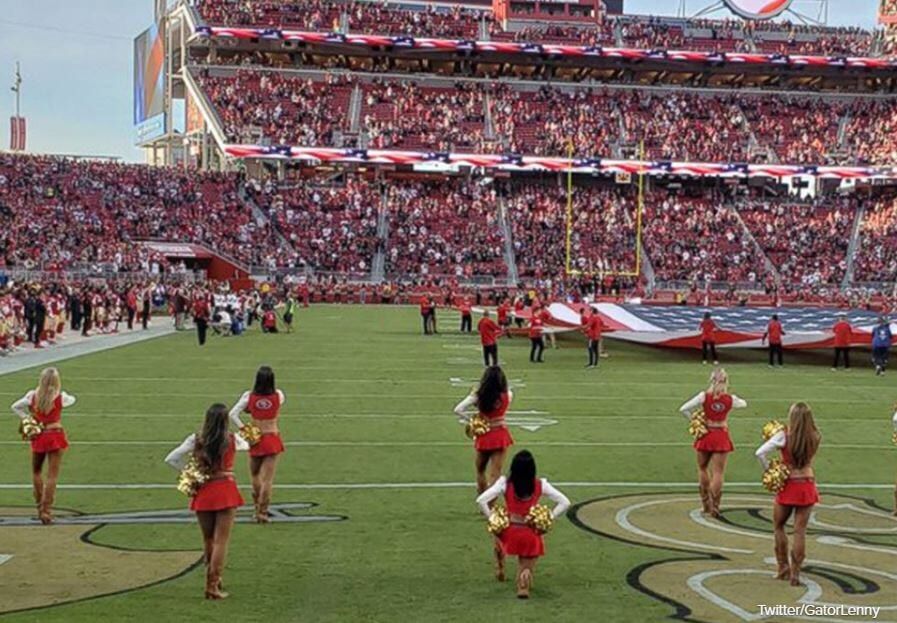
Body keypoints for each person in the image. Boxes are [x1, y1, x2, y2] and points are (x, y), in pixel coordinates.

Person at [165, 404, 247, 599]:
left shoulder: (196, 439)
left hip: (204, 490)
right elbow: (248, 445)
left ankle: (212, 581)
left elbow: (171, 458)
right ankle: (213, 584)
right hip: (225, 489)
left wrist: (191, 474)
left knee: (208, 539)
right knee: (221, 541)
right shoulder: (232, 439)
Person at [476, 450, 571, 598]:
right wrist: (549, 517)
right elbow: (565, 502)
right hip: (530, 534)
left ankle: (500, 559)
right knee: (527, 561)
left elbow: (481, 500)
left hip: (508, 532)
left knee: (499, 536)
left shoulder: (504, 483)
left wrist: (492, 518)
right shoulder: (540, 485)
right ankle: (523, 582)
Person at [755, 402, 821, 586]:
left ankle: (782, 567)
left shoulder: (783, 435)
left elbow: (759, 453)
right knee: (800, 531)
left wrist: (770, 469)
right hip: (807, 484)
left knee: (779, 526)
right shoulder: (816, 436)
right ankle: (796, 573)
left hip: (789, 484)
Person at [10, 367, 77, 524]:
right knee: (52, 476)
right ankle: (47, 511)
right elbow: (73, 399)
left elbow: (15, 406)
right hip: (56, 434)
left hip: (39, 435)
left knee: (36, 472)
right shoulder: (61, 396)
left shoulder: (32, 395)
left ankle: (40, 507)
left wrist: (29, 418)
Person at [678, 368, 747, 518]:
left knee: (702, 468)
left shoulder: (703, 396)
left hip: (706, 434)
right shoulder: (730, 399)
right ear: (726, 382)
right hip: (721, 435)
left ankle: (705, 504)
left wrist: (695, 421)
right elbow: (744, 404)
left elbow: (684, 409)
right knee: (718, 473)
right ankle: (715, 507)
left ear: (711, 380)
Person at [229, 366, 286, 523]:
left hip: (256, 438)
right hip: (272, 437)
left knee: (255, 475)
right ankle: (263, 512)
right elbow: (274, 406)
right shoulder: (279, 395)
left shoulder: (249, 396)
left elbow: (232, 414)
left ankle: (256, 507)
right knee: (268, 479)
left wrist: (246, 430)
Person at [453, 366, 514, 495]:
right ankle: (490, 506)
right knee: (495, 474)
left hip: (484, 435)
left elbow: (458, 409)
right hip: (500, 434)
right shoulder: (508, 394)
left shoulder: (478, 395)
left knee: (480, 470)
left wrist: (473, 420)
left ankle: (482, 499)